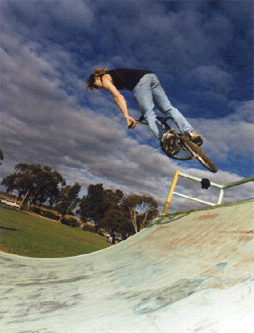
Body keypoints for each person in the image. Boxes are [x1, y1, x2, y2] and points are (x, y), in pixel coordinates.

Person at [87, 68, 202, 153]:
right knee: (168, 109)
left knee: (148, 114)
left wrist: (126, 116)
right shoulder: (114, 74)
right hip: (151, 76)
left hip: (141, 83)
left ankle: (167, 138)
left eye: (96, 85)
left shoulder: (105, 78)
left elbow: (118, 97)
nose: (100, 88)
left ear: (96, 78)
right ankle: (191, 132)